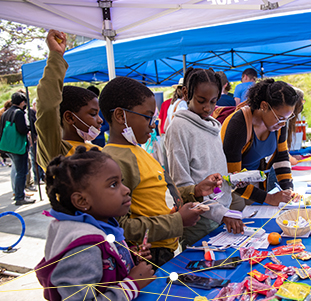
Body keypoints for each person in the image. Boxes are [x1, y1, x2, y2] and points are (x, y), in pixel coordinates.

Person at [99, 75, 222, 267]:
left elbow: (160, 194)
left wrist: (195, 191)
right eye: (148, 117)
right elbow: (120, 227)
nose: (153, 124)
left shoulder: (138, 151)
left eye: (155, 118)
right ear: (120, 116)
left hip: (164, 249)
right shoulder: (114, 161)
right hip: (146, 257)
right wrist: (177, 221)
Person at [35, 147, 155, 300]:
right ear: (82, 201)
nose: (126, 190)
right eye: (113, 184)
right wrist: (131, 285)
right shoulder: (85, 246)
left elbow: (101, 267)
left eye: (121, 182)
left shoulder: (100, 224)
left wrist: (126, 259)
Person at [165, 67, 245, 247]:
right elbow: (181, 185)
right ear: (186, 93)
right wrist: (221, 213)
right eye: (201, 101)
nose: (208, 107)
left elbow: (211, 168)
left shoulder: (212, 126)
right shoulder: (179, 128)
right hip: (198, 220)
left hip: (221, 214)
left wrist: (230, 181)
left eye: (213, 101)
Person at [221, 79, 298, 209]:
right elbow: (233, 177)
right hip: (231, 187)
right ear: (264, 106)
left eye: (287, 119)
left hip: (254, 185)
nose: (283, 124)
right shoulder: (238, 124)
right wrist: (269, 198)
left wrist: (288, 190)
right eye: (280, 118)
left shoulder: (279, 124)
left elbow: (282, 157)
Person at [36, 30, 103, 171]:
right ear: (69, 117)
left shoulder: (97, 150)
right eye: (92, 114)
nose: (100, 120)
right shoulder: (56, 152)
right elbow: (47, 107)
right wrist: (56, 56)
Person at [0, 92, 35, 206]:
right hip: (18, 147)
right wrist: (30, 128)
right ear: (22, 102)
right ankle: (20, 197)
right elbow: (21, 129)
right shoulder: (18, 113)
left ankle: (18, 192)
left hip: (8, 147)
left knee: (15, 170)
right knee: (21, 172)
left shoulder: (6, 112)